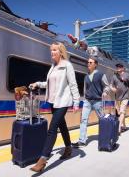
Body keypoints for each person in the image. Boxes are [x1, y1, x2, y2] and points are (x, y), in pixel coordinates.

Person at [29, 42, 80, 173]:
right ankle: (68, 148)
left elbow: (73, 84)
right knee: (62, 125)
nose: (52, 52)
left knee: (52, 129)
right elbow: (49, 83)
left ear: (61, 52)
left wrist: (76, 102)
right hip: (53, 102)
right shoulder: (53, 66)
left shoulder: (67, 66)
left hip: (63, 101)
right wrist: (38, 84)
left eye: (55, 50)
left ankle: (42, 160)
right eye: (51, 50)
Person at [72, 57, 111, 147]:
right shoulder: (86, 76)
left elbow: (107, 86)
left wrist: (105, 92)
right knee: (83, 120)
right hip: (87, 101)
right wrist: (84, 99)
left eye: (90, 62)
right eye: (88, 62)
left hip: (98, 101)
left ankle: (105, 138)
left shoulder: (101, 74)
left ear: (95, 64)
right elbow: (85, 89)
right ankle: (82, 141)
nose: (88, 64)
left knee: (102, 120)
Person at [111, 63, 129, 134]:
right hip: (117, 97)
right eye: (117, 67)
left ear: (123, 68)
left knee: (122, 111)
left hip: (125, 96)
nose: (118, 68)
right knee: (120, 112)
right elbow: (111, 85)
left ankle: (119, 128)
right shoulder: (114, 76)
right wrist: (113, 89)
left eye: (120, 67)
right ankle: (124, 126)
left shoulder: (127, 75)